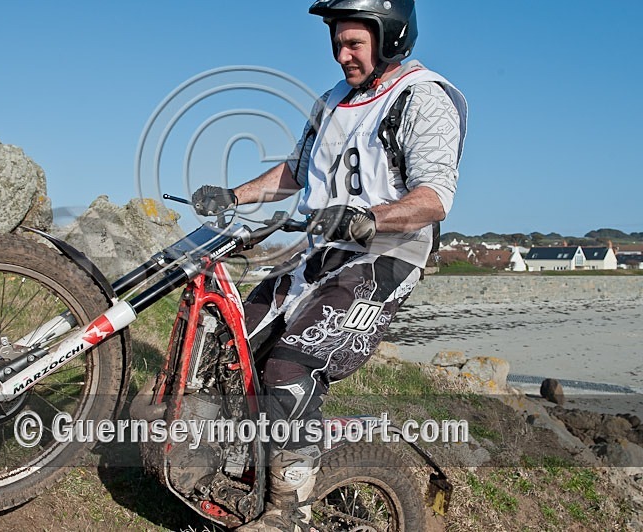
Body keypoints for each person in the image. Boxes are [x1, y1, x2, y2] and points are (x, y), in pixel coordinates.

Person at [192, 1, 467, 529]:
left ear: (390, 38)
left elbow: (433, 199)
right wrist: (233, 194)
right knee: (231, 339)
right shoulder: (331, 101)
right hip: (322, 251)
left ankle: (287, 512)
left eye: (354, 44)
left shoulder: (424, 97)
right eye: (338, 43)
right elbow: (296, 172)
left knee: (291, 365)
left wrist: (367, 219)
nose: (342, 54)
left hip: (385, 255)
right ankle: (233, 462)